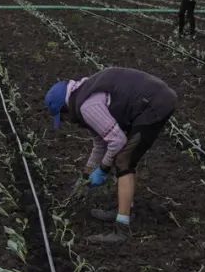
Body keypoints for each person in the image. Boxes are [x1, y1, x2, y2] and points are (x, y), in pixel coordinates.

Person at [44, 67, 177, 245]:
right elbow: (100, 144)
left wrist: (103, 169)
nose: (68, 122)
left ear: (65, 108)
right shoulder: (84, 96)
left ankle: (122, 228)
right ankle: (125, 208)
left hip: (154, 104)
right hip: (151, 99)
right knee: (124, 158)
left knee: (123, 161)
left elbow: (117, 141)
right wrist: (85, 175)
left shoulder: (87, 107)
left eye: (64, 118)